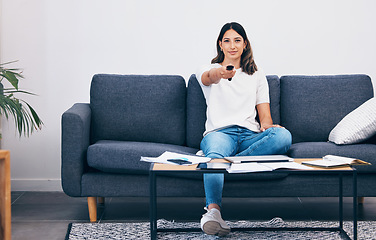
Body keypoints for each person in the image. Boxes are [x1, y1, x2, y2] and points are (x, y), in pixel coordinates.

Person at [196, 22, 292, 236]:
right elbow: (208, 77)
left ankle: (224, 160)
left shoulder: (257, 74)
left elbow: (265, 118)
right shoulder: (207, 70)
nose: (232, 46)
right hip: (219, 134)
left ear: (245, 44)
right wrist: (221, 73)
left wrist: (270, 128)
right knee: (216, 154)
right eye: (227, 41)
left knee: (283, 136)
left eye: (237, 40)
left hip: (250, 135)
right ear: (220, 44)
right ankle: (213, 213)